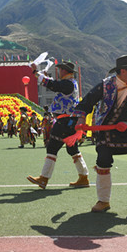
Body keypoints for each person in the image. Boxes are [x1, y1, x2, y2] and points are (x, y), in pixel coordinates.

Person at [72, 54, 127, 213]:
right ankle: (103, 201)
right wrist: (80, 121)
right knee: (103, 160)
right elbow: (87, 102)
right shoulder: (105, 85)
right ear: (123, 71)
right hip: (106, 130)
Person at [27, 61, 90, 189]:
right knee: (72, 149)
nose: (59, 72)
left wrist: (35, 72)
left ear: (65, 71)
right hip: (69, 121)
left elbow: (53, 85)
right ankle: (83, 176)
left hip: (64, 122)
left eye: (60, 70)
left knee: (52, 147)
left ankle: (44, 178)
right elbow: (55, 84)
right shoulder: (70, 83)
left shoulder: (67, 84)